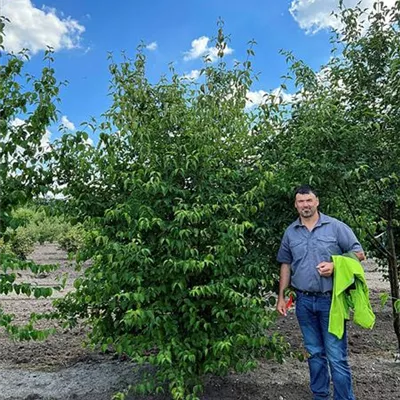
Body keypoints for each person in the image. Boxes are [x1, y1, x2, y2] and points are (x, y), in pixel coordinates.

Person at [276, 185, 365, 400]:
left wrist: (335, 266)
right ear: (296, 205)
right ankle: (320, 396)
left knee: (336, 357)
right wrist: (281, 296)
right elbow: (286, 264)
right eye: (300, 202)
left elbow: (359, 253)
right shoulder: (291, 232)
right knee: (314, 354)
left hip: (331, 302)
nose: (305, 205)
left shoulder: (335, 227)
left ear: (317, 202)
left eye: (309, 201)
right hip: (304, 302)